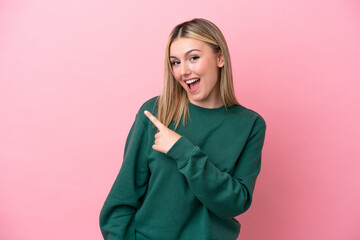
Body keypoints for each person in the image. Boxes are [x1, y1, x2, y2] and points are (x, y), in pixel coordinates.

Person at [99, 18, 266, 240]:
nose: (183, 71)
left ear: (220, 57)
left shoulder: (250, 124)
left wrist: (183, 151)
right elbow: (122, 198)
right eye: (175, 62)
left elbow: (234, 203)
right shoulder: (155, 112)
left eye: (193, 58)